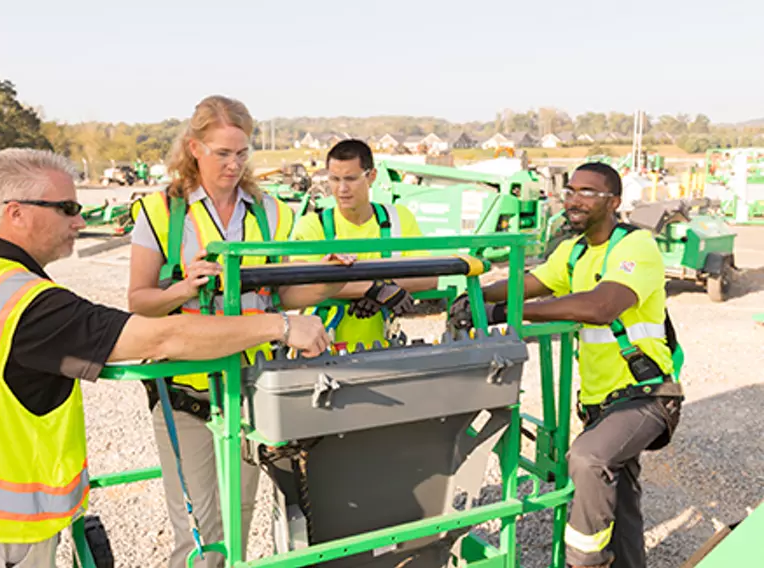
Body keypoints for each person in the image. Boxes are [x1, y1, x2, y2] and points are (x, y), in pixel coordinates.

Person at [0, 148, 330, 568]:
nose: (79, 221)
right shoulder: (28, 305)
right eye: (67, 208)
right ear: (16, 213)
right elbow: (160, 338)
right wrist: (282, 327)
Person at [128, 95, 347, 568]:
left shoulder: (270, 213)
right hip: (185, 389)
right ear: (193, 148)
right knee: (198, 530)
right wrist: (183, 287)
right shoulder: (161, 212)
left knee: (238, 519)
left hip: (248, 389)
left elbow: (281, 297)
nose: (233, 164)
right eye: (222, 153)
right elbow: (138, 300)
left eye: (241, 153)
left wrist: (325, 280)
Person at [450, 161, 683, 568]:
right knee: (621, 505)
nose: (573, 199)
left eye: (587, 192)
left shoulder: (635, 247)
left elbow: (601, 306)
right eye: (571, 190)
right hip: (600, 404)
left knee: (589, 459)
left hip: (646, 396)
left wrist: (508, 311)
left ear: (614, 202)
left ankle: (583, 562)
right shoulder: (573, 252)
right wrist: (477, 297)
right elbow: (531, 282)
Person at [291, 139, 437, 351]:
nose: (341, 189)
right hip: (322, 351)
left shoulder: (399, 218)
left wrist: (382, 287)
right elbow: (301, 283)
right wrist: (374, 289)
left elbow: (430, 276)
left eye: (351, 179)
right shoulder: (313, 225)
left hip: (384, 349)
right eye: (334, 179)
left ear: (372, 177)